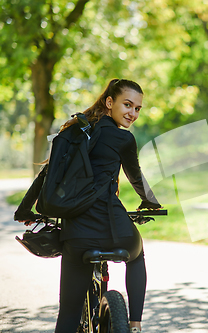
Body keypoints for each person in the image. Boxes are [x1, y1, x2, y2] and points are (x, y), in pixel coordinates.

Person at [14, 79, 161, 333]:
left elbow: (47, 174)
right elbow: (136, 177)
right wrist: (150, 203)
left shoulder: (72, 131)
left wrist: (25, 210)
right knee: (136, 257)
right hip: (116, 230)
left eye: (138, 108)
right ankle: (135, 325)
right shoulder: (123, 139)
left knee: (69, 313)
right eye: (128, 105)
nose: (133, 113)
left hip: (78, 234)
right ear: (109, 102)